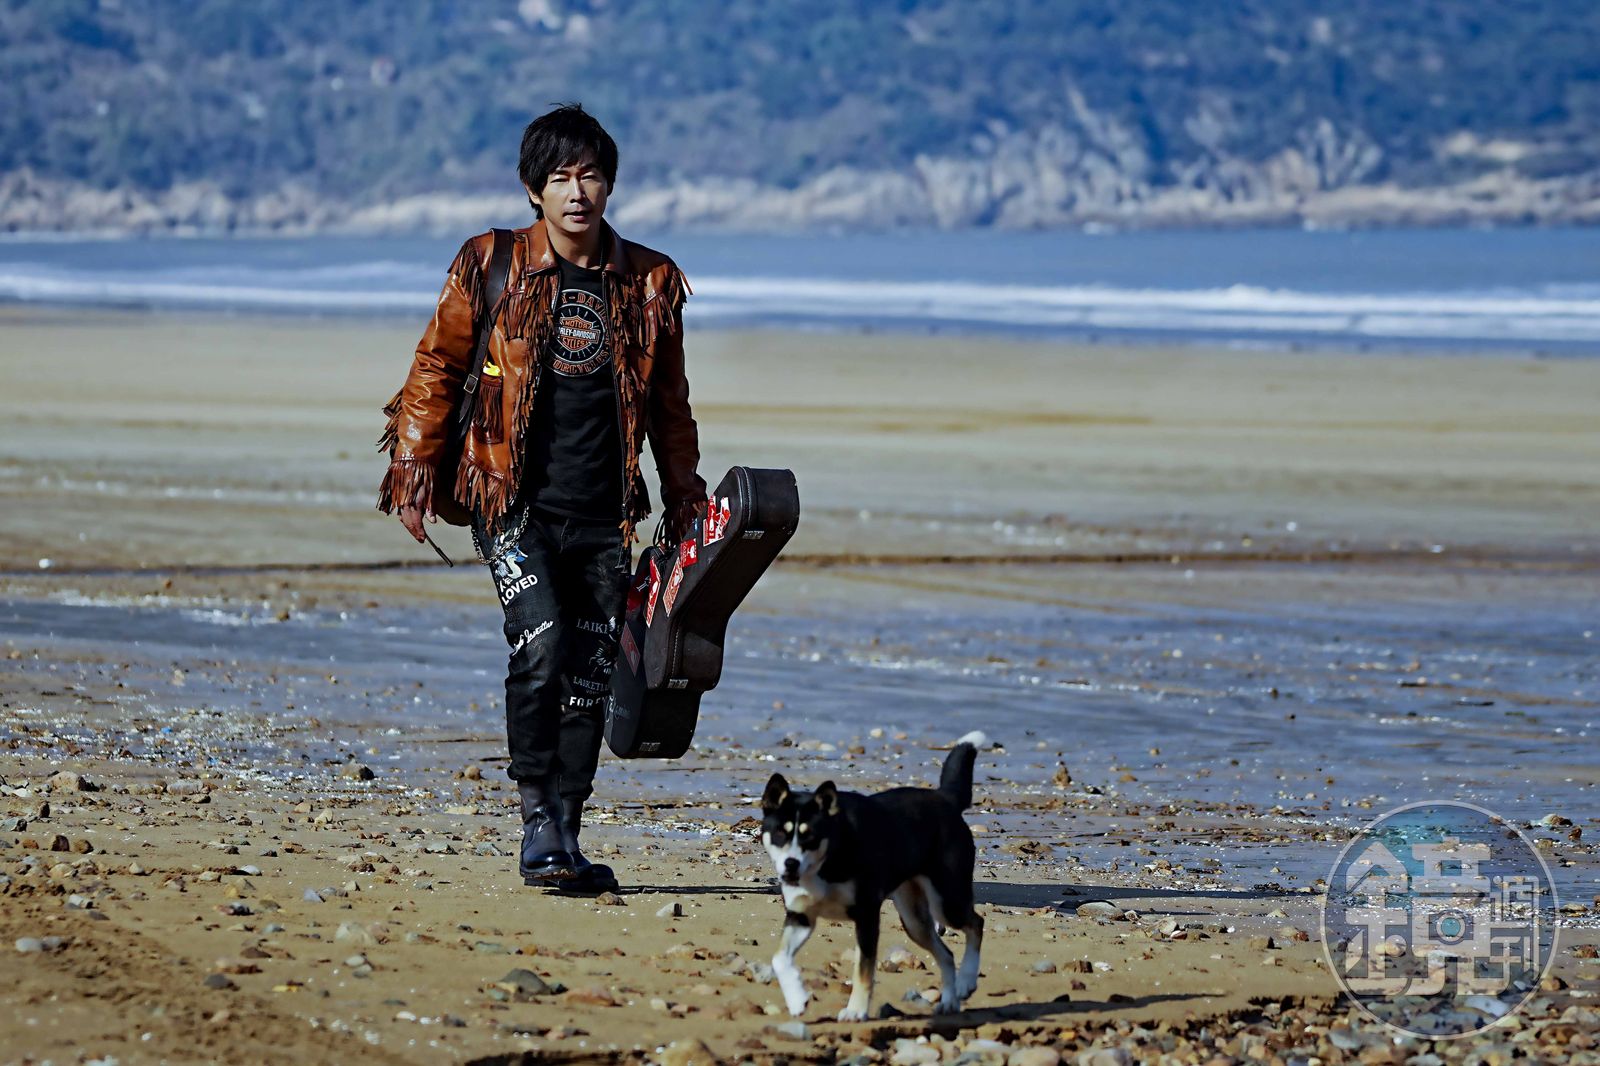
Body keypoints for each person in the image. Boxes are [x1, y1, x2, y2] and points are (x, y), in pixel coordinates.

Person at [376, 103, 707, 893]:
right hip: (510, 501)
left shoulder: (649, 281)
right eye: (560, 177)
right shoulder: (490, 262)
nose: (576, 191)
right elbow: (436, 367)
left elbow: (670, 406)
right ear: (533, 189)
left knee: (591, 671)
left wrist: (685, 497)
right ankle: (535, 820)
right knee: (542, 647)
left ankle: (568, 830)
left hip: (606, 512)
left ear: (610, 184)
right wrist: (414, 470)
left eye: (589, 175)